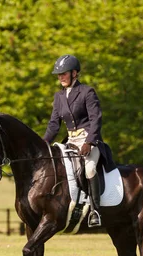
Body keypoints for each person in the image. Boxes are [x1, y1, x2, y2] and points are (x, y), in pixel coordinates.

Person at [43, 54, 104, 227]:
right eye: (59, 74)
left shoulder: (87, 92)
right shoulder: (59, 97)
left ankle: (95, 211)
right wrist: (44, 144)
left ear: (74, 73)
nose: (60, 77)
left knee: (90, 168)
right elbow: (54, 125)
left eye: (64, 73)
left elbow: (96, 120)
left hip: (88, 139)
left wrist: (90, 142)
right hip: (70, 141)